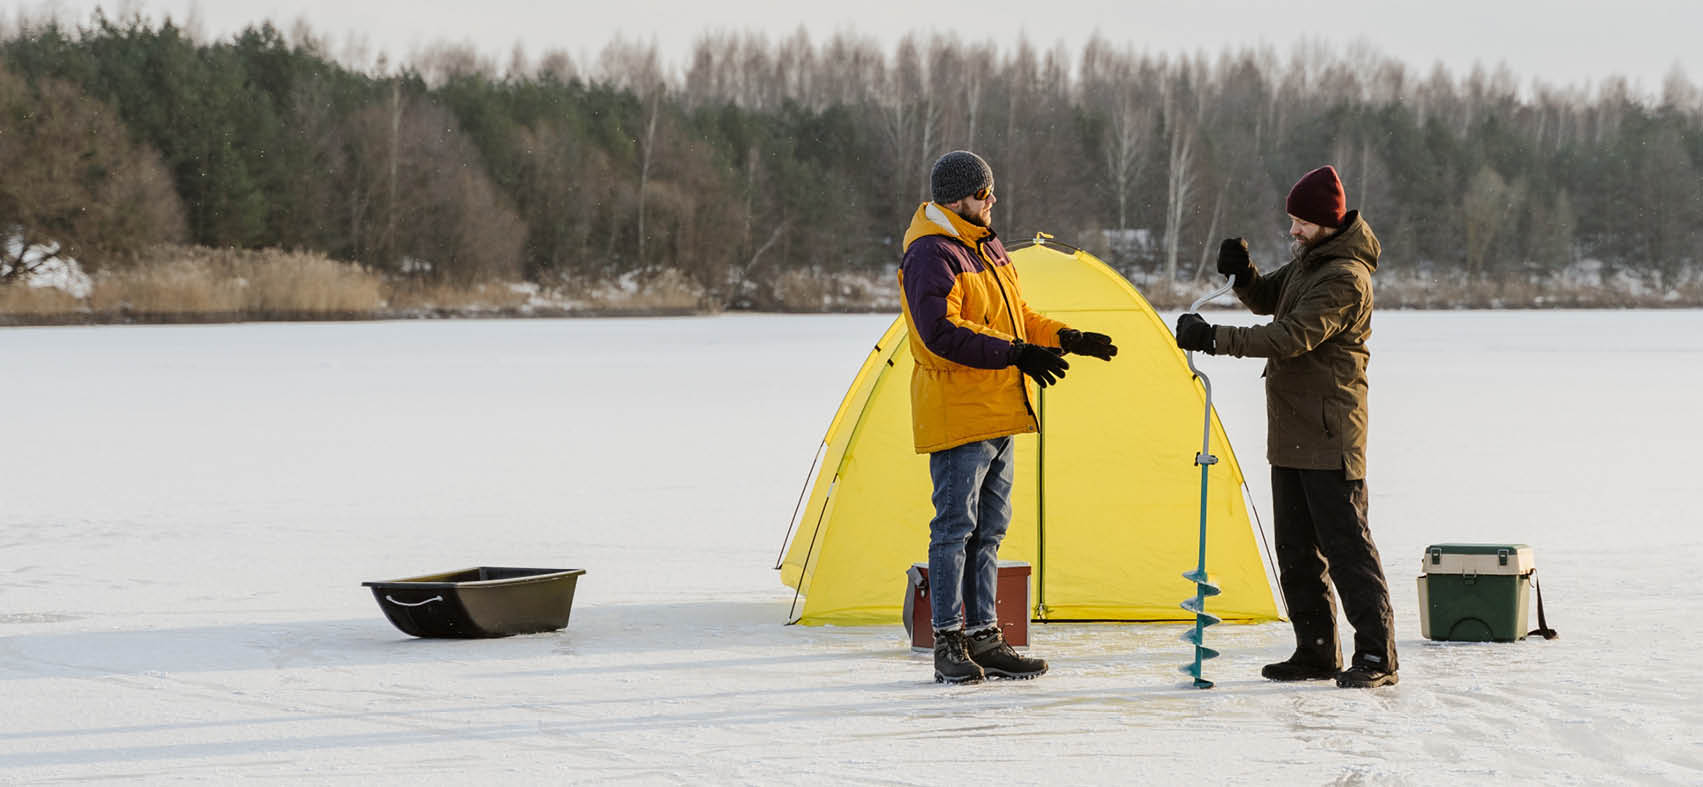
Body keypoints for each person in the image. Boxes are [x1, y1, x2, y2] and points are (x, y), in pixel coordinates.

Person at [1173, 165, 1399, 689]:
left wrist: (1214, 338)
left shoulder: (1345, 277)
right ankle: (1315, 651)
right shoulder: (1311, 262)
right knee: (1296, 551)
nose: (1292, 231)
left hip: (1331, 433)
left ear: (1325, 222)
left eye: (1300, 222)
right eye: (1291, 221)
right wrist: (1245, 275)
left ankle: (1376, 656)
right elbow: (1270, 300)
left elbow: (1290, 336)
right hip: (1293, 431)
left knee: (1347, 550)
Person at [899, 150, 1118, 684]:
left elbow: (1018, 317)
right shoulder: (932, 254)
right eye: (982, 194)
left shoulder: (986, 246)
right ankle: (949, 642)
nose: (992, 201)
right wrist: (1018, 354)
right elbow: (941, 335)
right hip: (959, 413)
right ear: (956, 199)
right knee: (954, 529)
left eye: (991, 191)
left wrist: (1066, 337)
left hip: (1000, 410)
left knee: (990, 529)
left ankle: (985, 638)